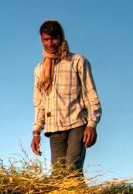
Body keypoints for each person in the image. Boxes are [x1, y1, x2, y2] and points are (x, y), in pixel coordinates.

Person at [30, 19, 102, 173]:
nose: (50, 43)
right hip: (54, 128)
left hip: (77, 124)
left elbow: (90, 94)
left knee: (72, 170)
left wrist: (92, 124)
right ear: (41, 40)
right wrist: (36, 132)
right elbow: (40, 103)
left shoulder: (77, 61)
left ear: (61, 37)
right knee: (59, 176)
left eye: (54, 38)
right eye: (46, 39)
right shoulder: (39, 69)